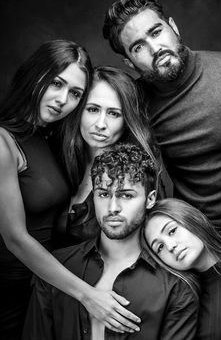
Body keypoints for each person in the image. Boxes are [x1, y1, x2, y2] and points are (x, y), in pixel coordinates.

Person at [0, 41, 138, 339]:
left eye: (75, 93)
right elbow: (15, 239)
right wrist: (87, 294)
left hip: (43, 286)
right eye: (56, 84)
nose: (63, 100)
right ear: (34, 76)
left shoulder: (49, 137)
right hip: (8, 286)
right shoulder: (3, 141)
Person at [22, 143, 199, 340]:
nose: (113, 207)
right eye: (104, 194)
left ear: (150, 199)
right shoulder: (57, 268)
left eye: (126, 195)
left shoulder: (176, 287)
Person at [102, 0, 221, 243]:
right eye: (138, 47)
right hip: (196, 237)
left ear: (173, 27)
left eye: (156, 32)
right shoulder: (135, 104)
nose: (155, 48)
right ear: (129, 62)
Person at [54, 65, 162, 247]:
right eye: (93, 109)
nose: (100, 124)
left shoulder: (138, 173)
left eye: (113, 113)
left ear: (127, 120)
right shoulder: (57, 155)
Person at [144, 198, 221, 339]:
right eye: (160, 247)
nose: (170, 246)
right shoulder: (183, 303)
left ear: (193, 219)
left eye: (172, 231)